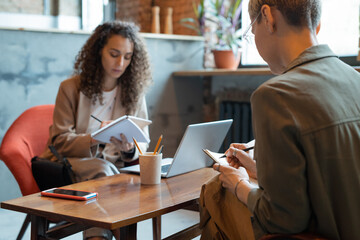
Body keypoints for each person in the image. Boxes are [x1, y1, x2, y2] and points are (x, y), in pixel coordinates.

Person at [199, 0, 360, 239]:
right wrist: (258, 170)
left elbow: (282, 219)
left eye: (251, 32)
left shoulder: (275, 95)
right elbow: (334, 175)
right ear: (316, 24)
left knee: (215, 195)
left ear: (268, 17)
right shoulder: (354, 80)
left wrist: (240, 184)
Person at [40, 21, 152, 240]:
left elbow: (143, 142)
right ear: (99, 50)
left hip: (114, 164)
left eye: (128, 57)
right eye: (114, 54)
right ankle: (98, 237)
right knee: (105, 173)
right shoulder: (70, 88)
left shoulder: (134, 93)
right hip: (70, 162)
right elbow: (58, 141)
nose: (120, 63)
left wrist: (129, 150)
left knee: (117, 175)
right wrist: (94, 138)